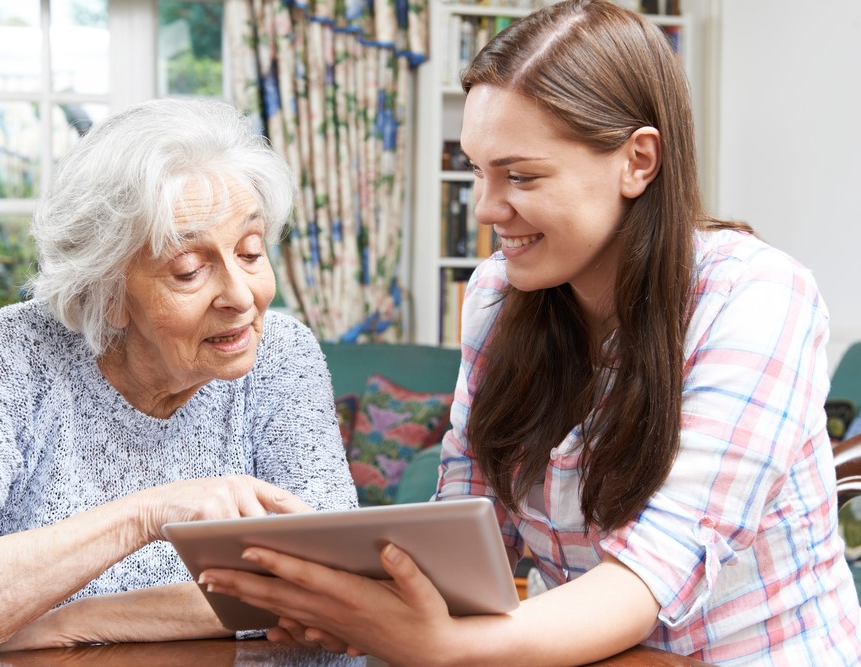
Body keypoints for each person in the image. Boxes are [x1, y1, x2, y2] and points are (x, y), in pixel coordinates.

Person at [197, 1, 861, 664]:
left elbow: (652, 574)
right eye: (478, 171)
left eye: (520, 175)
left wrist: (441, 644)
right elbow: (463, 526)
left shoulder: (757, 298)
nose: (486, 208)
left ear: (639, 160)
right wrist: (357, 606)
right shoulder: (496, 293)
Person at [0, 98, 358, 666]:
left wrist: (69, 622)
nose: (242, 297)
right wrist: (148, 514)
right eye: (190, 270)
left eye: (250, 252)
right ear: (109, 296)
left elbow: (331, 588)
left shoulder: (281, 353)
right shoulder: (13, 353)